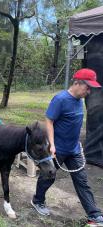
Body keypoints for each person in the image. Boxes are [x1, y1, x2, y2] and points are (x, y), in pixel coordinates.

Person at [31, 68, 103, 226]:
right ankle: (37, 200)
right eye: (87, 87)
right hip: (58, 150)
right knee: (48, 176)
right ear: (77, 83)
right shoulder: (60, 99)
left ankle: (94, 215)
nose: (89, 91)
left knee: (82, 181)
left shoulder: (80, 100)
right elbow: (49, 120)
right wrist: (52, 144)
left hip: (74, 150)